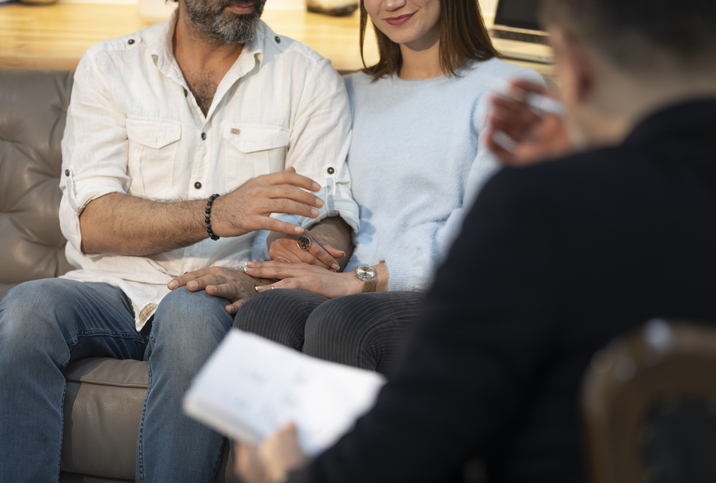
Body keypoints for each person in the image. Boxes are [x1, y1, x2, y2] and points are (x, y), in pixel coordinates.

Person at [233, 0, 716, 481]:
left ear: (575, 64)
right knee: (269, 309)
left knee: (345, 323)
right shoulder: (571, 190)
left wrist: (295, 474)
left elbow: (429, 428)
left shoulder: (543, 201)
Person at [0, 0, 359, 479]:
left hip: (222, 291)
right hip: (111, 289)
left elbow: (327, 216)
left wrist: (311, 248)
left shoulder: (307, 76)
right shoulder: (109, 65)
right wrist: (217, 213)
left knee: (189, 314)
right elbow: (93, 221)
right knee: (25, 311)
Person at [231, 0, 542, 374]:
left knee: (345, 323)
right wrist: (290, 245)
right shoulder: (345, 93)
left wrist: (361, 281)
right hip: (343, 288)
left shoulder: (511, 92)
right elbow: (308, 197)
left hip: (453, 294)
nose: (391, 3)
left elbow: (490, 233)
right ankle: (260, 437)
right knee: (267, 310)